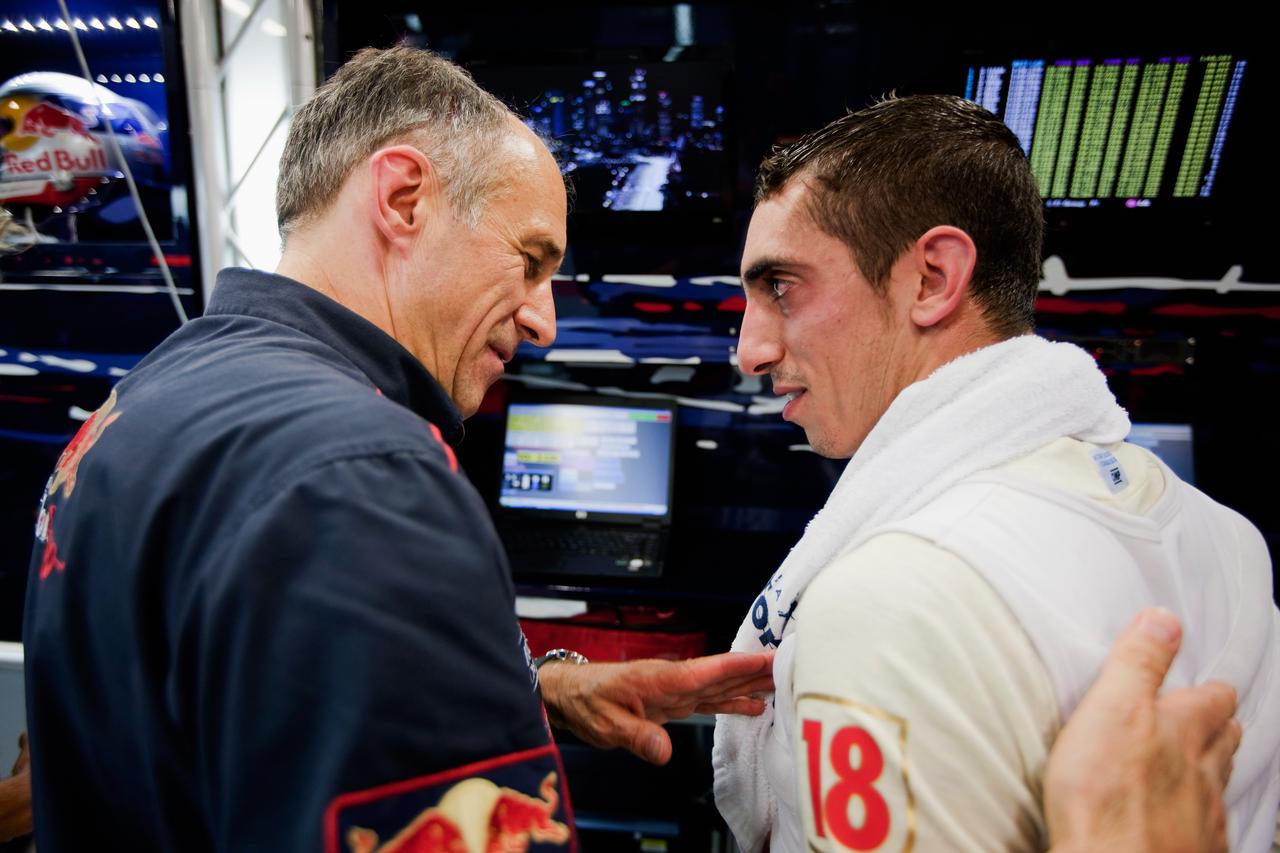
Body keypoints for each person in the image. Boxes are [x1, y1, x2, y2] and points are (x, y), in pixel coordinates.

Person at [19, 47, 1248, 852]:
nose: (549, 316)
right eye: (533, 259)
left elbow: (177, 715)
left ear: (932, 277)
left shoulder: (150, 407)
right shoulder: (366, 471)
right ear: (399, 201)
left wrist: (531, 685)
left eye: (781, 288)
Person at [711, 94, 1279, 852]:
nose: (748, 351)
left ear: (933, 278)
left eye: (781, 287)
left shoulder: (887, 605)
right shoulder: (1231, 542)